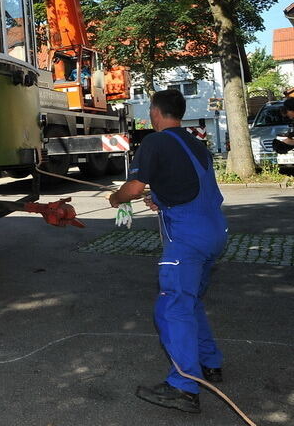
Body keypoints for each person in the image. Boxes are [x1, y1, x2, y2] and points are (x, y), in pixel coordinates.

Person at [108, 88, 227, 414]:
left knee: (171, 309)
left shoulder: (155, 141)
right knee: (191, 302)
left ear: (155, 113)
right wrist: (160, 199)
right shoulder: (194, 143)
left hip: (188, 240)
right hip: (215, 232)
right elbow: (195, 186)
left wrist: (117, 199)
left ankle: (184, 387)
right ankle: (210, 363)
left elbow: (132, 188)